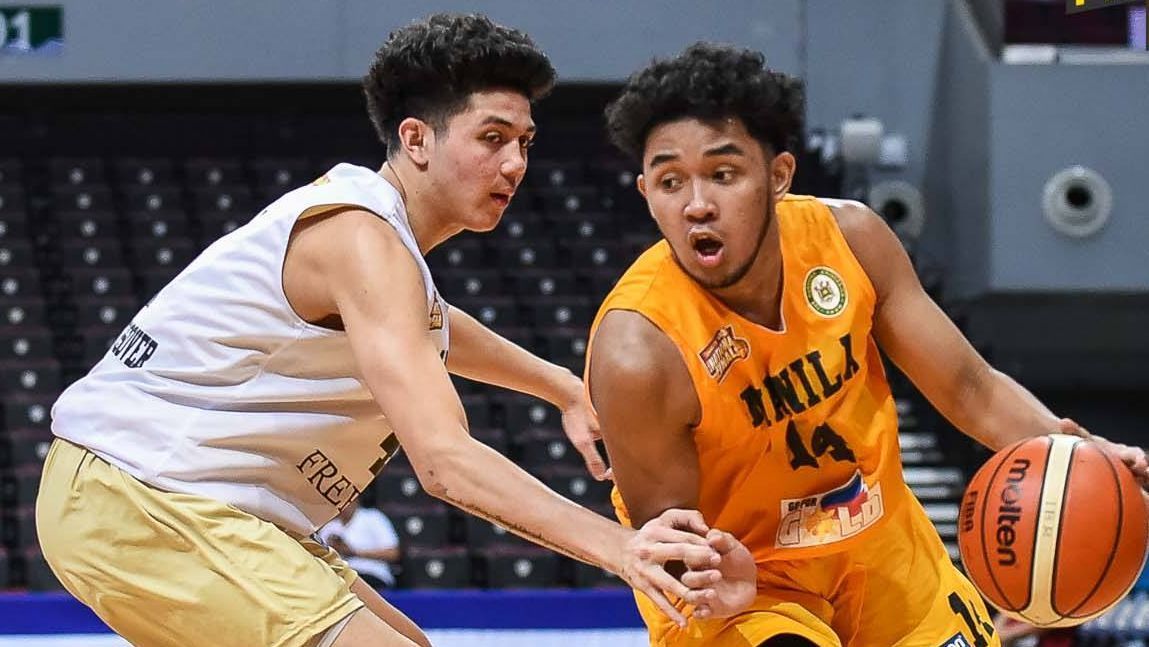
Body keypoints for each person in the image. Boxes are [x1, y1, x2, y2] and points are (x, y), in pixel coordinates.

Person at [34, 16, 744, 647]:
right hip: (141, 492)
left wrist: (559, 385)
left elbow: (440, 324)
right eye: (492, 138)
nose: (515, 164)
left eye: (524, 142)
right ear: (415, 139)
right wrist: (620, 548)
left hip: (181, 500)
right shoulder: (362, 240)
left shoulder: (382, 245)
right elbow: (444, 462)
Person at [586, 42, 1149, 647]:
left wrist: (1079, 453)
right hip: (745, 591)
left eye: (723, 175)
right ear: (646, 192)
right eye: (670, 182)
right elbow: (670, 544)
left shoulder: (851, 239)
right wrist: (710, 577)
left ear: (778, 176)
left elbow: (971, 389)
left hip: (886, 560)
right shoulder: (637, 351)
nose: (697, 205)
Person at [318, 499, 401, 590]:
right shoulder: (329, 526)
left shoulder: (372, 517)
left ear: (355, 500)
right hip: (337, 576)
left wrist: (353, 552)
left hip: (371, 574)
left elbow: (393, 553)